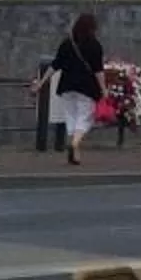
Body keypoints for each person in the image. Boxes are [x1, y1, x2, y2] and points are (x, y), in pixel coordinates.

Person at [49, 12, 105, 166]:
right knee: (85, 117)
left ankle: (75, 152)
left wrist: (41, 82)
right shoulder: (95, 45)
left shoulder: (67, 43)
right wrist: (104, 89)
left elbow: (55, 64)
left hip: (66, 86)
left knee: (71, 117)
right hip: (86, 87)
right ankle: (74, 144)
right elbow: (98, 71)